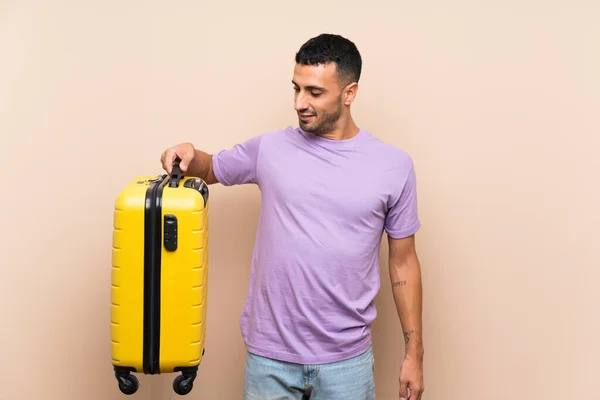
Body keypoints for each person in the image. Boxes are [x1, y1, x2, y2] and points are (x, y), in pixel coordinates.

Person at [160, 33, 424, 400]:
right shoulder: (270, 148)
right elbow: (210, 167)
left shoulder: (393, 166)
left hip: (347, 362)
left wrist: (414, 354)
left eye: (314, 93)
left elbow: (404, 263)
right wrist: (190, 152)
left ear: (349, 93)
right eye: (296, 89)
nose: (300, 103)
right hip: (269, 359)